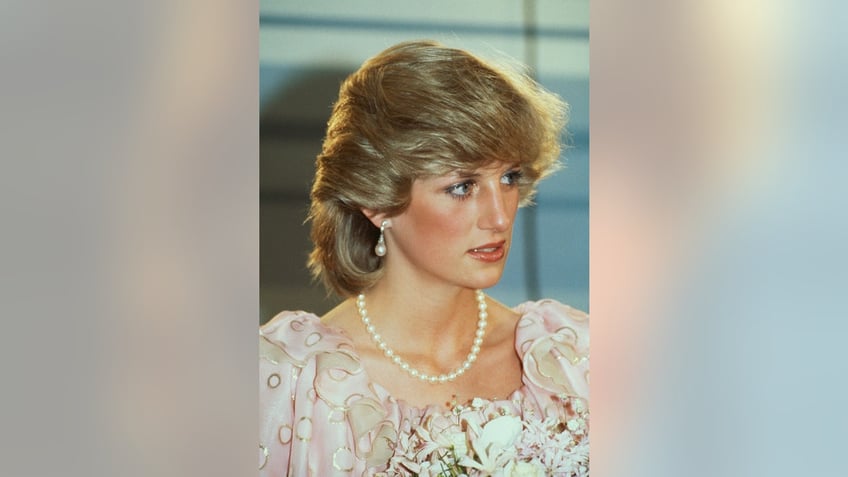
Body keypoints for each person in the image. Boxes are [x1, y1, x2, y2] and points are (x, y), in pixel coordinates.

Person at [259, 40, 589, 476]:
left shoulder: (571, 360)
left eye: (508, 177)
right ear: (376, 202)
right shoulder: (291, 383)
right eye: (463, 186)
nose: (500, 215)